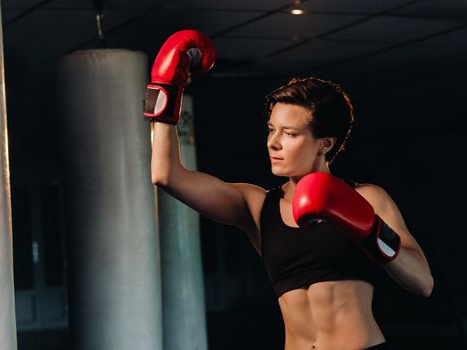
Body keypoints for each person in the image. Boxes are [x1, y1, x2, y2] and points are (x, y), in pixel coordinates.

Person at [145, 29, 434, 350]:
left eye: (290, 133)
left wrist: (368, 230)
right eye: (271, 130)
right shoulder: (256, 205)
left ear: (324, 143)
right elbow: (166, 175)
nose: (273, 142)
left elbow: (423, 283)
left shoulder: (367, 197)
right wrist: (165, 89)